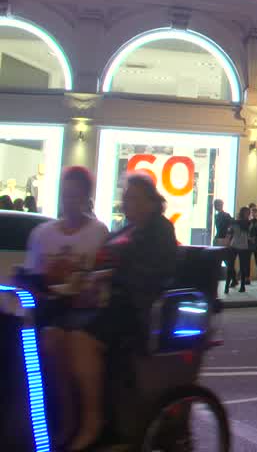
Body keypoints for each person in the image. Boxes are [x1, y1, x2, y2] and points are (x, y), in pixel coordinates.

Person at [64, 173, 178, 451]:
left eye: (133, 198)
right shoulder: (127, 229)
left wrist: (109, 276)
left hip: (136, 310)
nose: (126, 202)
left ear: (151, 202)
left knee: (80, 339)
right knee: (56, 335)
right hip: (111, 303)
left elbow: (152, 273)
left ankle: (95, 422)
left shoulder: (159, 230)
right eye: (125, 197)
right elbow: (103, 260)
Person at [23, 167, 109, 447]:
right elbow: (31, 275)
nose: (70, 201)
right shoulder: (42, 234)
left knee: (60, 342)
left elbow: (102, 278)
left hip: (82, 311)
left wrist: (86, 286)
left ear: (86, 197)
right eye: (66, 195)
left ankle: (77, 419)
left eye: (76, 195)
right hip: (48, 308)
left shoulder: (98, 232)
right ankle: (61, 416)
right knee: (43, 343)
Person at [226, 206, 253, 294]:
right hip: (243, 246)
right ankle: (242, 286)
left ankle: (227, 287)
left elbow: (230, 233)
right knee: (242, 266)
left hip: (234, 245)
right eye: (248, 213)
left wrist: (227, 243)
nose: (248, 215)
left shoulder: (234, 222)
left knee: (230, 266)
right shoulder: (249, 223)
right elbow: (250, 235)